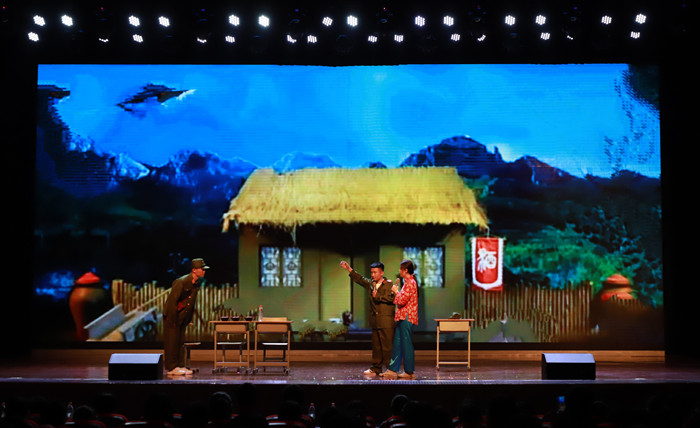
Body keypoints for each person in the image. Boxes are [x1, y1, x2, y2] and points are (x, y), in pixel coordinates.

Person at [340, 260, 395, 376]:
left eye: (375, 272)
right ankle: (376, 368)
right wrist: (349, 269)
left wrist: (377, 296)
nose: (373, 275)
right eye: (372, 272)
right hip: (376, 320)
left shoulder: (389, 284)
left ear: (381, 273)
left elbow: (391, 298)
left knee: (387, 347)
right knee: (376, 346)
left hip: (386, 321)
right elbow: (360, 279)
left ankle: (391, 369)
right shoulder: (371, 284)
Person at [163, 258, 209, 375]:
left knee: (179, 342)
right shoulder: (181, 282)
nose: (204, 271)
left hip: (181, 317)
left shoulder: (196, 283)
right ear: (194, 270)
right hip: (172, 317)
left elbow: (190, 303)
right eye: (202, 269)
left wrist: (187, 319)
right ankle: (172, 368)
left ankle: (179, 365)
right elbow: (172, 301)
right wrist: (172, 319)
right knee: (172, 343)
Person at [382, 259, 418, 379]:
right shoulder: (406, 282)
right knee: (397, 343)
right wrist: (397, 293)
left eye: (400, 269)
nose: (399, 271)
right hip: (401, 316)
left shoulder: (411, 282)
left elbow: (401, 300)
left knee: (406, 344)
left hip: (407, 316)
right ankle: (392, 369)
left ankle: (409, 371)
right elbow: (399, 300)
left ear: (405, 270)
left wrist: (396, 291)